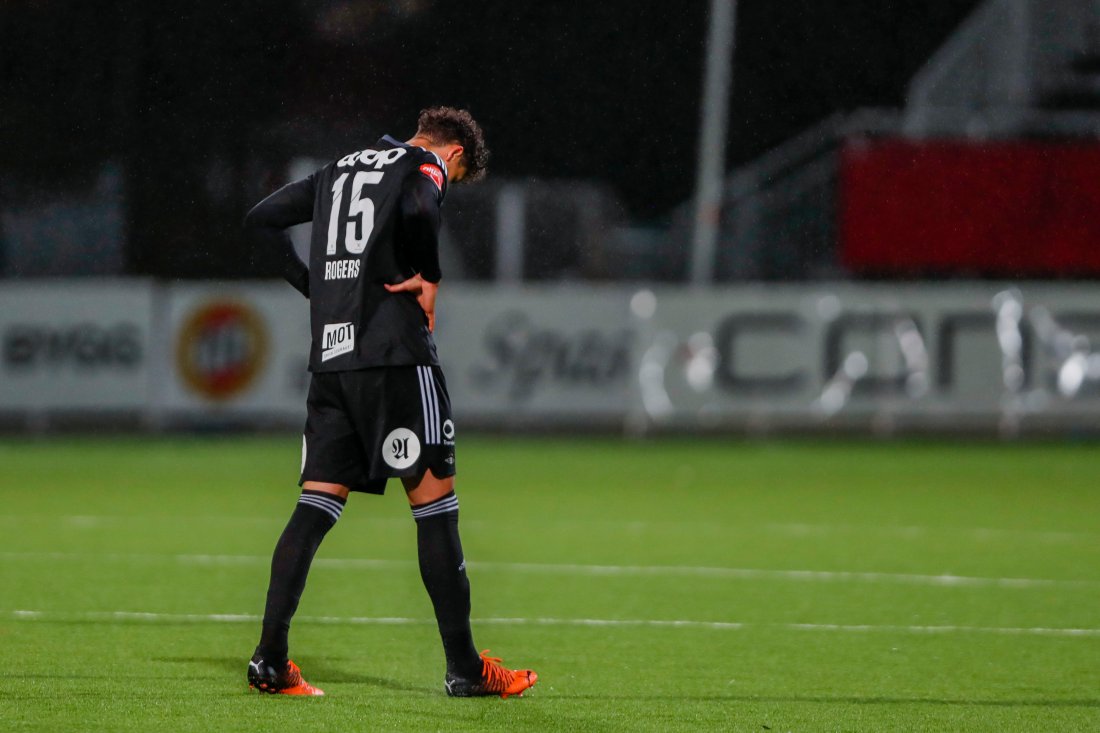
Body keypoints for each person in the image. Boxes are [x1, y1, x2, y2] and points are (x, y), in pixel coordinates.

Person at [242, 107, 537, 699]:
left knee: (315, 504)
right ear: (453, 154)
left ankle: (270, 660)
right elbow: (421, 207)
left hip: (331, 359)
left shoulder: (339, 168)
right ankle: (465, 670)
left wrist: (312, 285)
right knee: (435, 507)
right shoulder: (423, 165)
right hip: (396, 355)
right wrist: (430, 272)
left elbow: (260, 220)